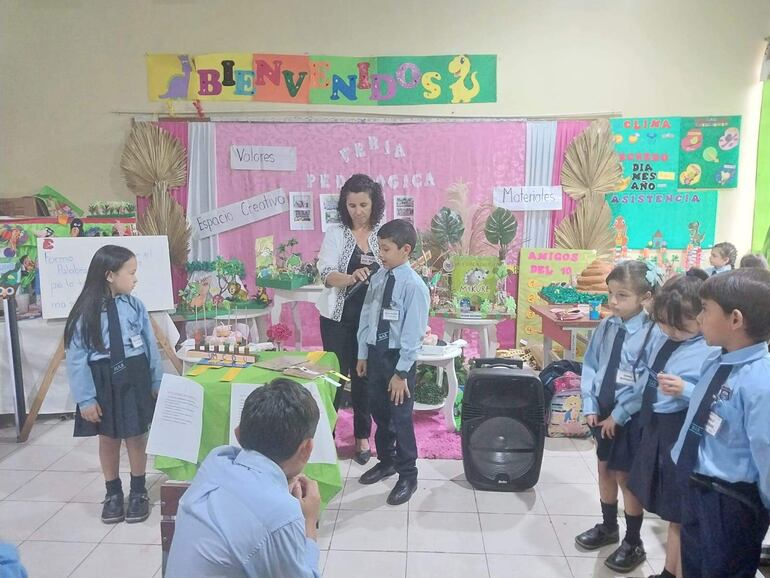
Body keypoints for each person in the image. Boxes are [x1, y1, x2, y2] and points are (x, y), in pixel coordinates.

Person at [165, 378, 322, 578]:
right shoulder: (281, 514)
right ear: (307, 449)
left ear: (238, 434)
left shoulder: (217, 460)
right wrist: (309, 521)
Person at [671, 269, 770, 577]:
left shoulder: (760, 381)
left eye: (705, 309)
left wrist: (761, 506)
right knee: (696, 565)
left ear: (736, 320)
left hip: (731, 502)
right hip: (696, 485)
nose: (699, 318)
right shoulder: (715, 361)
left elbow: (766, 448)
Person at [627, 270, 717, 578]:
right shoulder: (663, 340)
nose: (672, 331)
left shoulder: (710, 349)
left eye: (681, 325)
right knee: (670, 510)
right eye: (664, 322)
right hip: (656, 426)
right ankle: (668, 570)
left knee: (681, 511)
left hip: (680, 431)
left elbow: (714, 401)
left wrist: (686, 389)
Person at [64, 245, 161, 524]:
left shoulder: (135, 306)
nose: (135, 278)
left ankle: (139, 490)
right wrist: (85, 398)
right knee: (108, 439)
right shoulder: (86, 312)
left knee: (136, 435)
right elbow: (76, 357)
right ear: (109, 275)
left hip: (135, 376)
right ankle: (113, 492)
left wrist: (156, 379)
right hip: (102, 380)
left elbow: (150, 346)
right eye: (131, 273)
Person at [576, 260, 658, 573]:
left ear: (646, 297)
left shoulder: (652, 334)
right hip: (603, 412)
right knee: (605, 469)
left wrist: (621, 414)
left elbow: (645, 380)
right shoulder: (607, 326)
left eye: (622, 295)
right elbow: (592, 363)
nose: (613, 301)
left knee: (626, 476)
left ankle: (633, 540)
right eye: (611, 293)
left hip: (630, 416)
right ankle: (608, 527)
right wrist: (589, 403)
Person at [356, 219, 429, 506]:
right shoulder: (378, 278)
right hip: (375, 355)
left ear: (406, 250)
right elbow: (367, 317)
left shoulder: (414, 287)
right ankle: (386, 461)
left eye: (385, 249)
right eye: (379, 248)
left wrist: (401, 372)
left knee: (400, 419)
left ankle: (407, 474)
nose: (380, 254)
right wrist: (363, 352)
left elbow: (413, 333)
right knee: (379, 413)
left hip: (398, 361)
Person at [316, 174, 385, 465]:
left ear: (374, 204)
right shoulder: (335, 233)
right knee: (335, 378)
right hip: (336, 319)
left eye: (363, 205)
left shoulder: (384, 232)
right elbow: (325, 273)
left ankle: (361, 438)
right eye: (352, 204)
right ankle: (326, 437)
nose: (358, 211)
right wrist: (350, 277)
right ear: (344, 204)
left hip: (370, 321)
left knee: (364, 380)